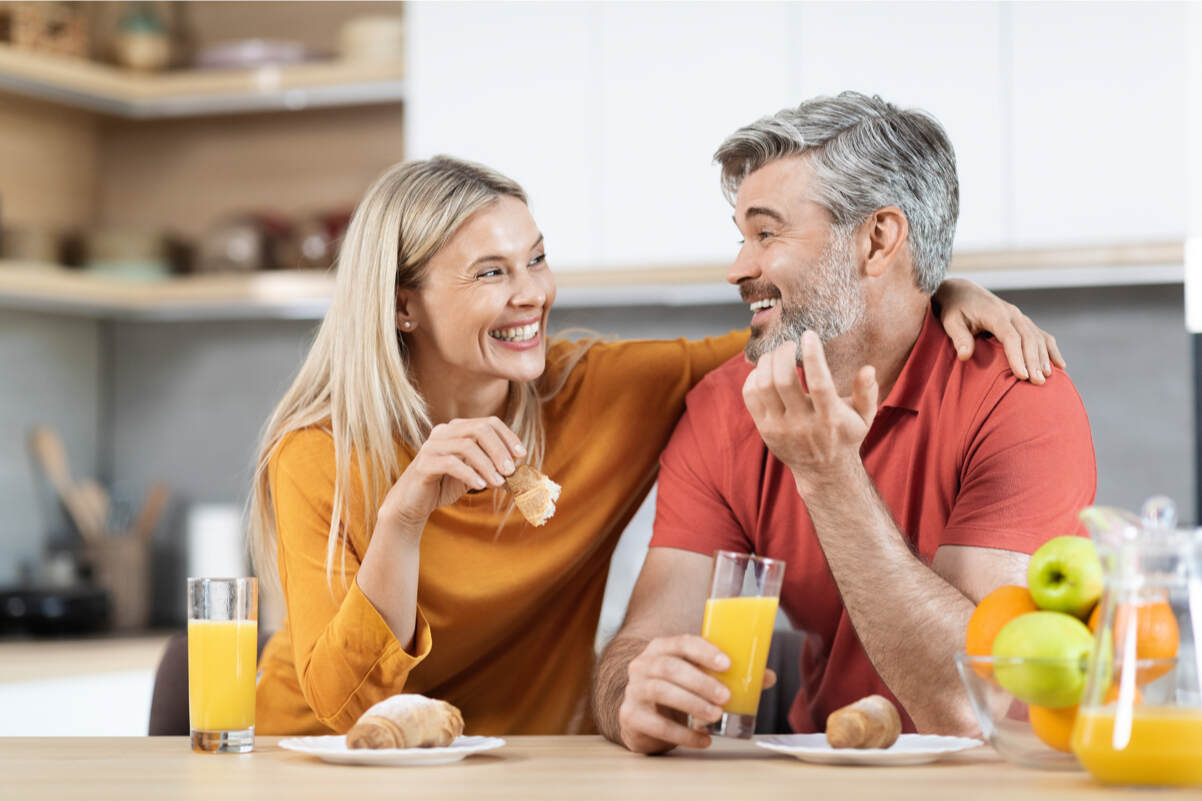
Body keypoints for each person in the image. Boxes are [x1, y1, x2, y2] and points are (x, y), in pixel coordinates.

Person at [250, 154, 1063, 736]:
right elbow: (343, 708)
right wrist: (402, 520)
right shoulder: (319, 454)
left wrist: (925, 288)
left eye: (536, 259)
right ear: (403, 307)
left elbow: (800, 326)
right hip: (319, 766)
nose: (532, 292)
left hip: (526, 768)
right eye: (491, 273)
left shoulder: (594, 394)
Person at [592, 92, 1096, 753]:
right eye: (741, 236)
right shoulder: (726, 407)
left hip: (995, 782)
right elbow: (637, 643)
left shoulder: (1016, 398)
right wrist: (632, 689)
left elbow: (972, 703)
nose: (738, 268)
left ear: (877, 239)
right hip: (821, 771)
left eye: (767, 233)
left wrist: (829, 475)